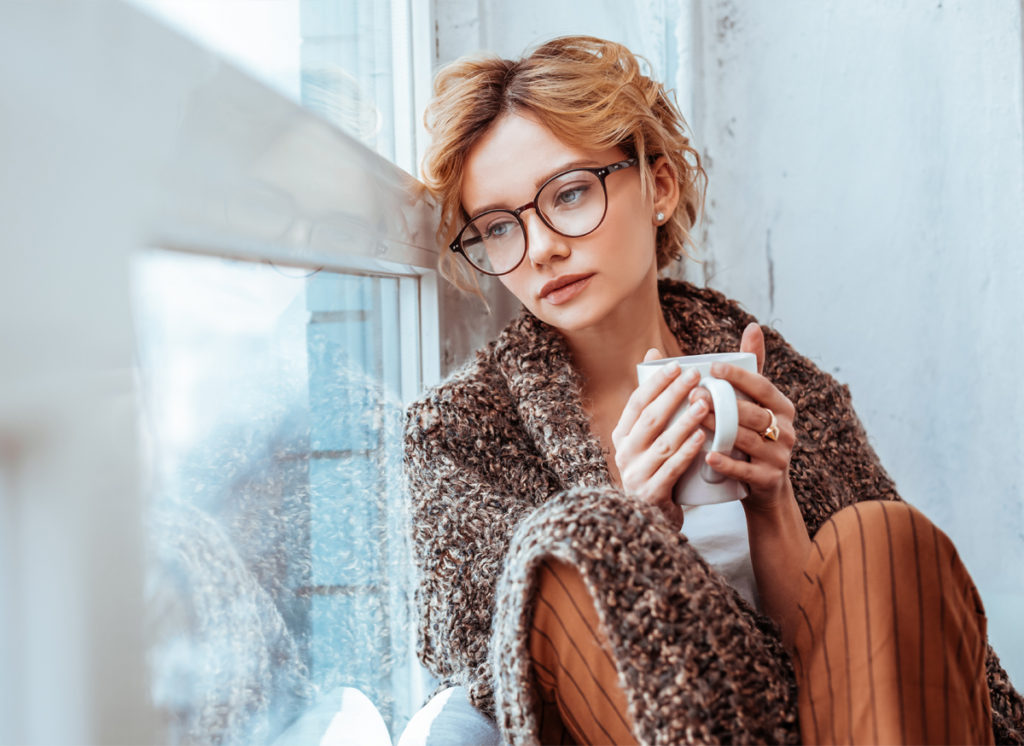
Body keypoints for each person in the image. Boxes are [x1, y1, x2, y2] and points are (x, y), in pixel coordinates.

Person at [403, 35, 1024, 744]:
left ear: (659, 187)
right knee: (568, 548)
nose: (541, 247)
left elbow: (859, 653)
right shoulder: (456, 435)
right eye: (500, 227)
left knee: (882, 535)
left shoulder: (787, 387)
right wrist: (630, 524)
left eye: (569, 193)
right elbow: (495, 672)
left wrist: (773, 505)